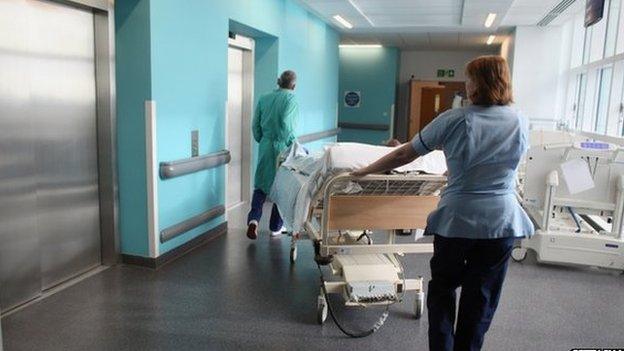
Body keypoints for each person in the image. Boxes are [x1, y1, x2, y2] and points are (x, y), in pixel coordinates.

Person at [352, 55, 533, 351]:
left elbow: (403, 154)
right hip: (501, 222)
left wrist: (364, 170)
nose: (466, 83)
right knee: (482, 297)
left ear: (479, 82)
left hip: (458, 222)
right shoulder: (521, 120)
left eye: (470, 78)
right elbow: (503, 162)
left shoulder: (454, 119)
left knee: (444, 290)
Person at [246, 70, 299, 240]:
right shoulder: (291, 99)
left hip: (265, 145)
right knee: (280, 187)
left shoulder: (264, 98)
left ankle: (253, 220)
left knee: (261, 184)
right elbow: (287, 125)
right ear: (294, 85)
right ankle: (275, 227)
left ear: (278, 82)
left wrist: (263, 140)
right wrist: (291, 143)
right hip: (282, 146)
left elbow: (255, 126)